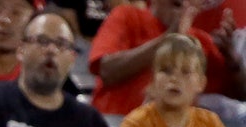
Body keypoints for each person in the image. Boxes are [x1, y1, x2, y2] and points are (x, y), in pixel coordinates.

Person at [89, 0, 246, 117]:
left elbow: (241, 95)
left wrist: (233, 62)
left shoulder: (202, 42)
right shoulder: (127, 16)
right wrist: (168, 39)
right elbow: (107, 70)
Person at [116, 33, 234, 127]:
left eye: (185, 72)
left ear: (201, 83)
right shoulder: (136, 125)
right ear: (153, 79)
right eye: (166, 70)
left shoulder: (211, 125)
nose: (175, 79)